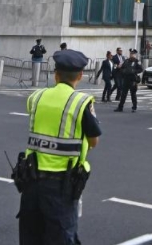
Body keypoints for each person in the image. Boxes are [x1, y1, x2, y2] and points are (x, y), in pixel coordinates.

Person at [17, 49, 101, 245]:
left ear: (55, 74)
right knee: (62, 237)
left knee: (30, 237)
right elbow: (94, 141)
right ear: (80, 76)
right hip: (61, 186)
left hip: (30, 180)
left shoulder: (36, 97)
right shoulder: (81, 103)